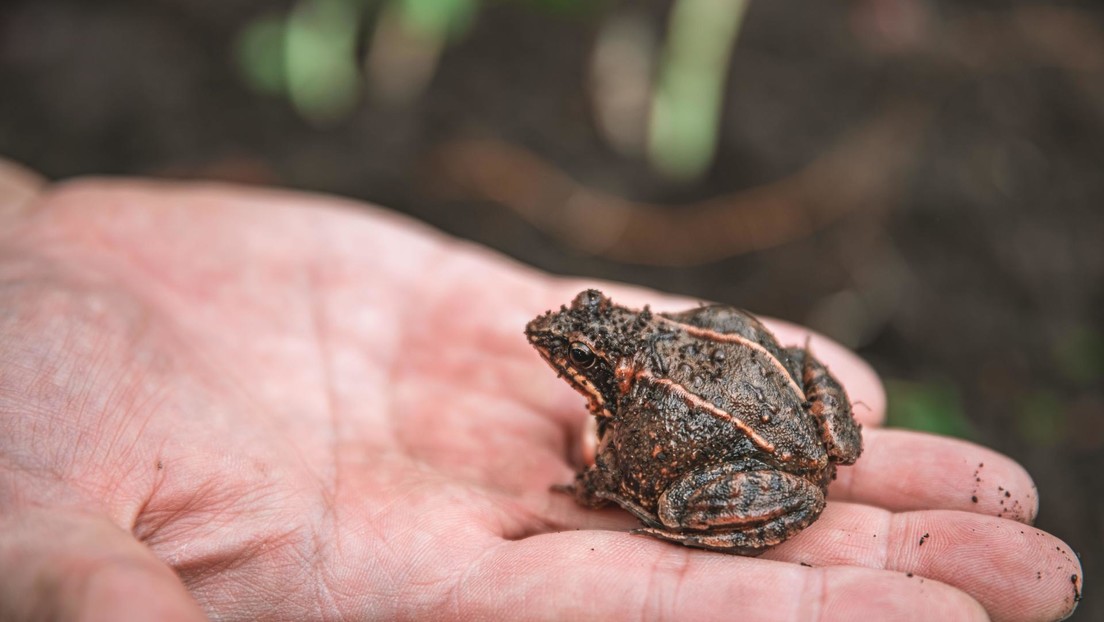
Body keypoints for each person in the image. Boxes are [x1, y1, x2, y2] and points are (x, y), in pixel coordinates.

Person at [0, 160, 1082, 621]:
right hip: (783, 397)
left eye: (579, 351)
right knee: (760, 423)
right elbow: (745, 347)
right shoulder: (647, 340)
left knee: (664, 494)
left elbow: (620, 462)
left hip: (762, 453)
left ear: (607, 356)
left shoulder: (627, 398)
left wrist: (610, 487)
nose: (560, 349)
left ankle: (691, 514)